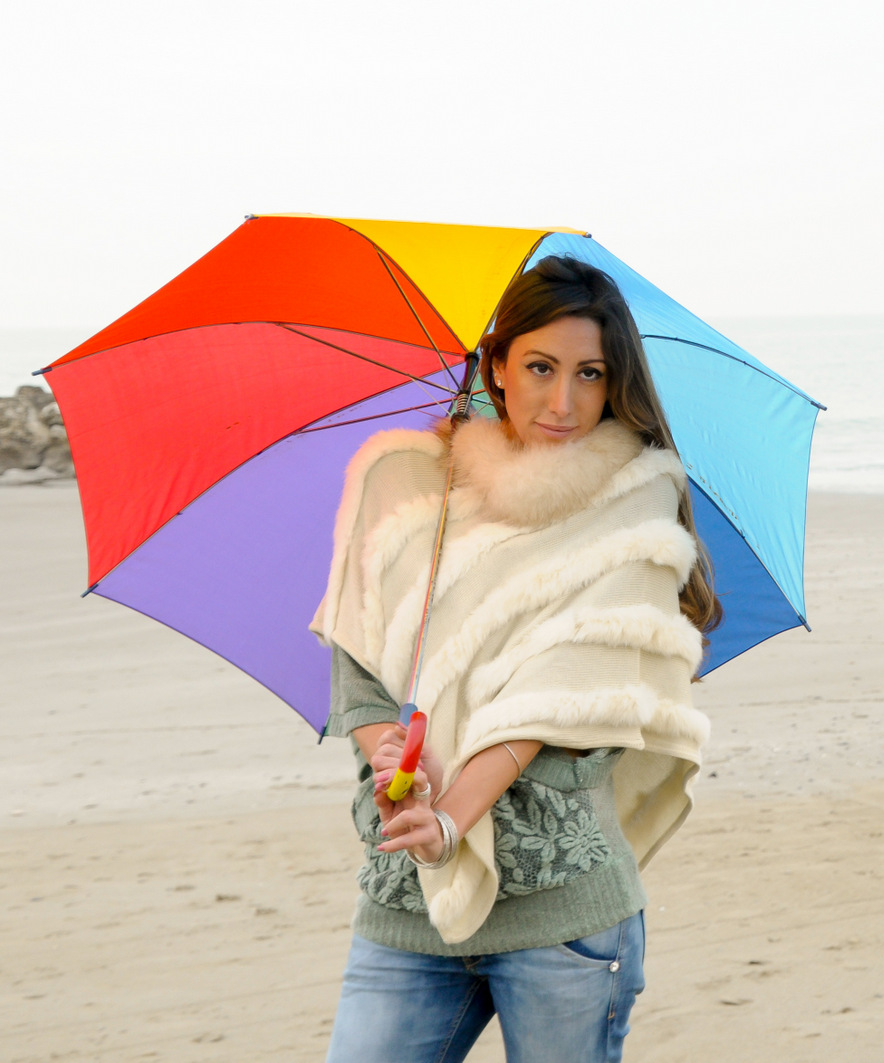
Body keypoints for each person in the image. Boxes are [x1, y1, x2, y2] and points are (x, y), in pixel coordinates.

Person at [311, 255, 719, 1063]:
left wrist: (450, 818)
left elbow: (551, 699)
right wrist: (387, 754)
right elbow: (357, 656)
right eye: (540, 367)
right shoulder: (409, 490)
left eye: (590, 374)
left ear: (614, 385)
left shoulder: (632, 508)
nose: (563, 401)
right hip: (407, 903)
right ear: (497, 365)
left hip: (561, 916)